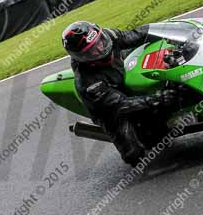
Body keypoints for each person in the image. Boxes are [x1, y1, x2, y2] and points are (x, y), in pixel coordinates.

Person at [62, 21, 181, 165]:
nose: (100, 48)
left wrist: (169, 30)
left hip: (121, 73)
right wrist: (157, 99)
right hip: (111, 110)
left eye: (99, 42)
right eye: (92, 50)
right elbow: (121, 105)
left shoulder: (109, 37)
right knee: (135, 155)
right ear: (82, 57)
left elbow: (137, 34)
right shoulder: (88, 82)